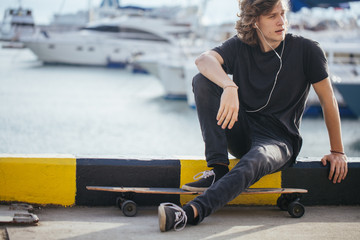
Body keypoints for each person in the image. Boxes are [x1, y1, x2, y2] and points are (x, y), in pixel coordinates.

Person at [158, 0, 348, 232]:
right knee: (202, 81)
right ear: (254, 21)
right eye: (272, 16)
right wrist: (229, 86)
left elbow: (328, 101)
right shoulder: (240, 46)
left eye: (282, 14)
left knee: (256, 158)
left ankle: (190, 213)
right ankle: (218, 169)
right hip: (242, 129)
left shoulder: (307, 50)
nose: (281, 21)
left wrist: (338, 151)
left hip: (279, 140)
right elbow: (203, 61)